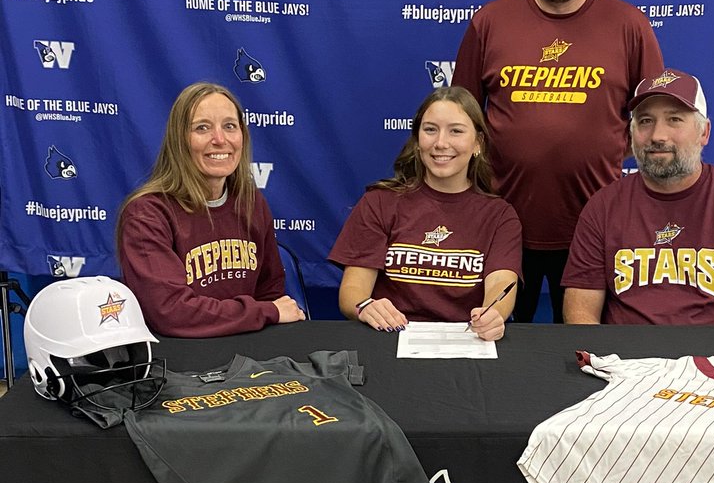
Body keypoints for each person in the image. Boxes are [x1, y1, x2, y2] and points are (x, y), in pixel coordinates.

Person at [452, 0, 663, 323]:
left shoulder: (629, 25)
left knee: (591, 354)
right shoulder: (490, 22)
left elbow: (654, 123)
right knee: (499, 348)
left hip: (595, 227)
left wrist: (598, 148)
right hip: (503, 225)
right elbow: (460, 119)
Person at [562, 68, 714, 325]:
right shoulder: (603, 207)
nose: (657, 136)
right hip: (627, 361)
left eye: (674, 120)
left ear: (704, 133)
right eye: (645, 121)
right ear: (631, 134)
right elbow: (580, 315)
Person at [329, 87, 521, 340]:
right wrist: (366, 307)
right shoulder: (379, 202)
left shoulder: (500, 215)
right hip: (389, 338)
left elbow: (501, 284)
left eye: (456, 131)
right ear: (418, 141)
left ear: (477, 143)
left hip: (466, 342)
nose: (441, 143)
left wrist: (492, 315)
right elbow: (352, 291)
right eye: (430, 129)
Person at [117, 81, 304, 336]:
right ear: (179, 140)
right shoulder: (147, 215)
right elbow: (171, 313)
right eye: (202, 128)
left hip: (247, 353)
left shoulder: (250, 202)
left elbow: (270, 290)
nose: (220, 139)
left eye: (229, 126)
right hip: (180, 360)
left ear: (242, 136)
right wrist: (265, 312)